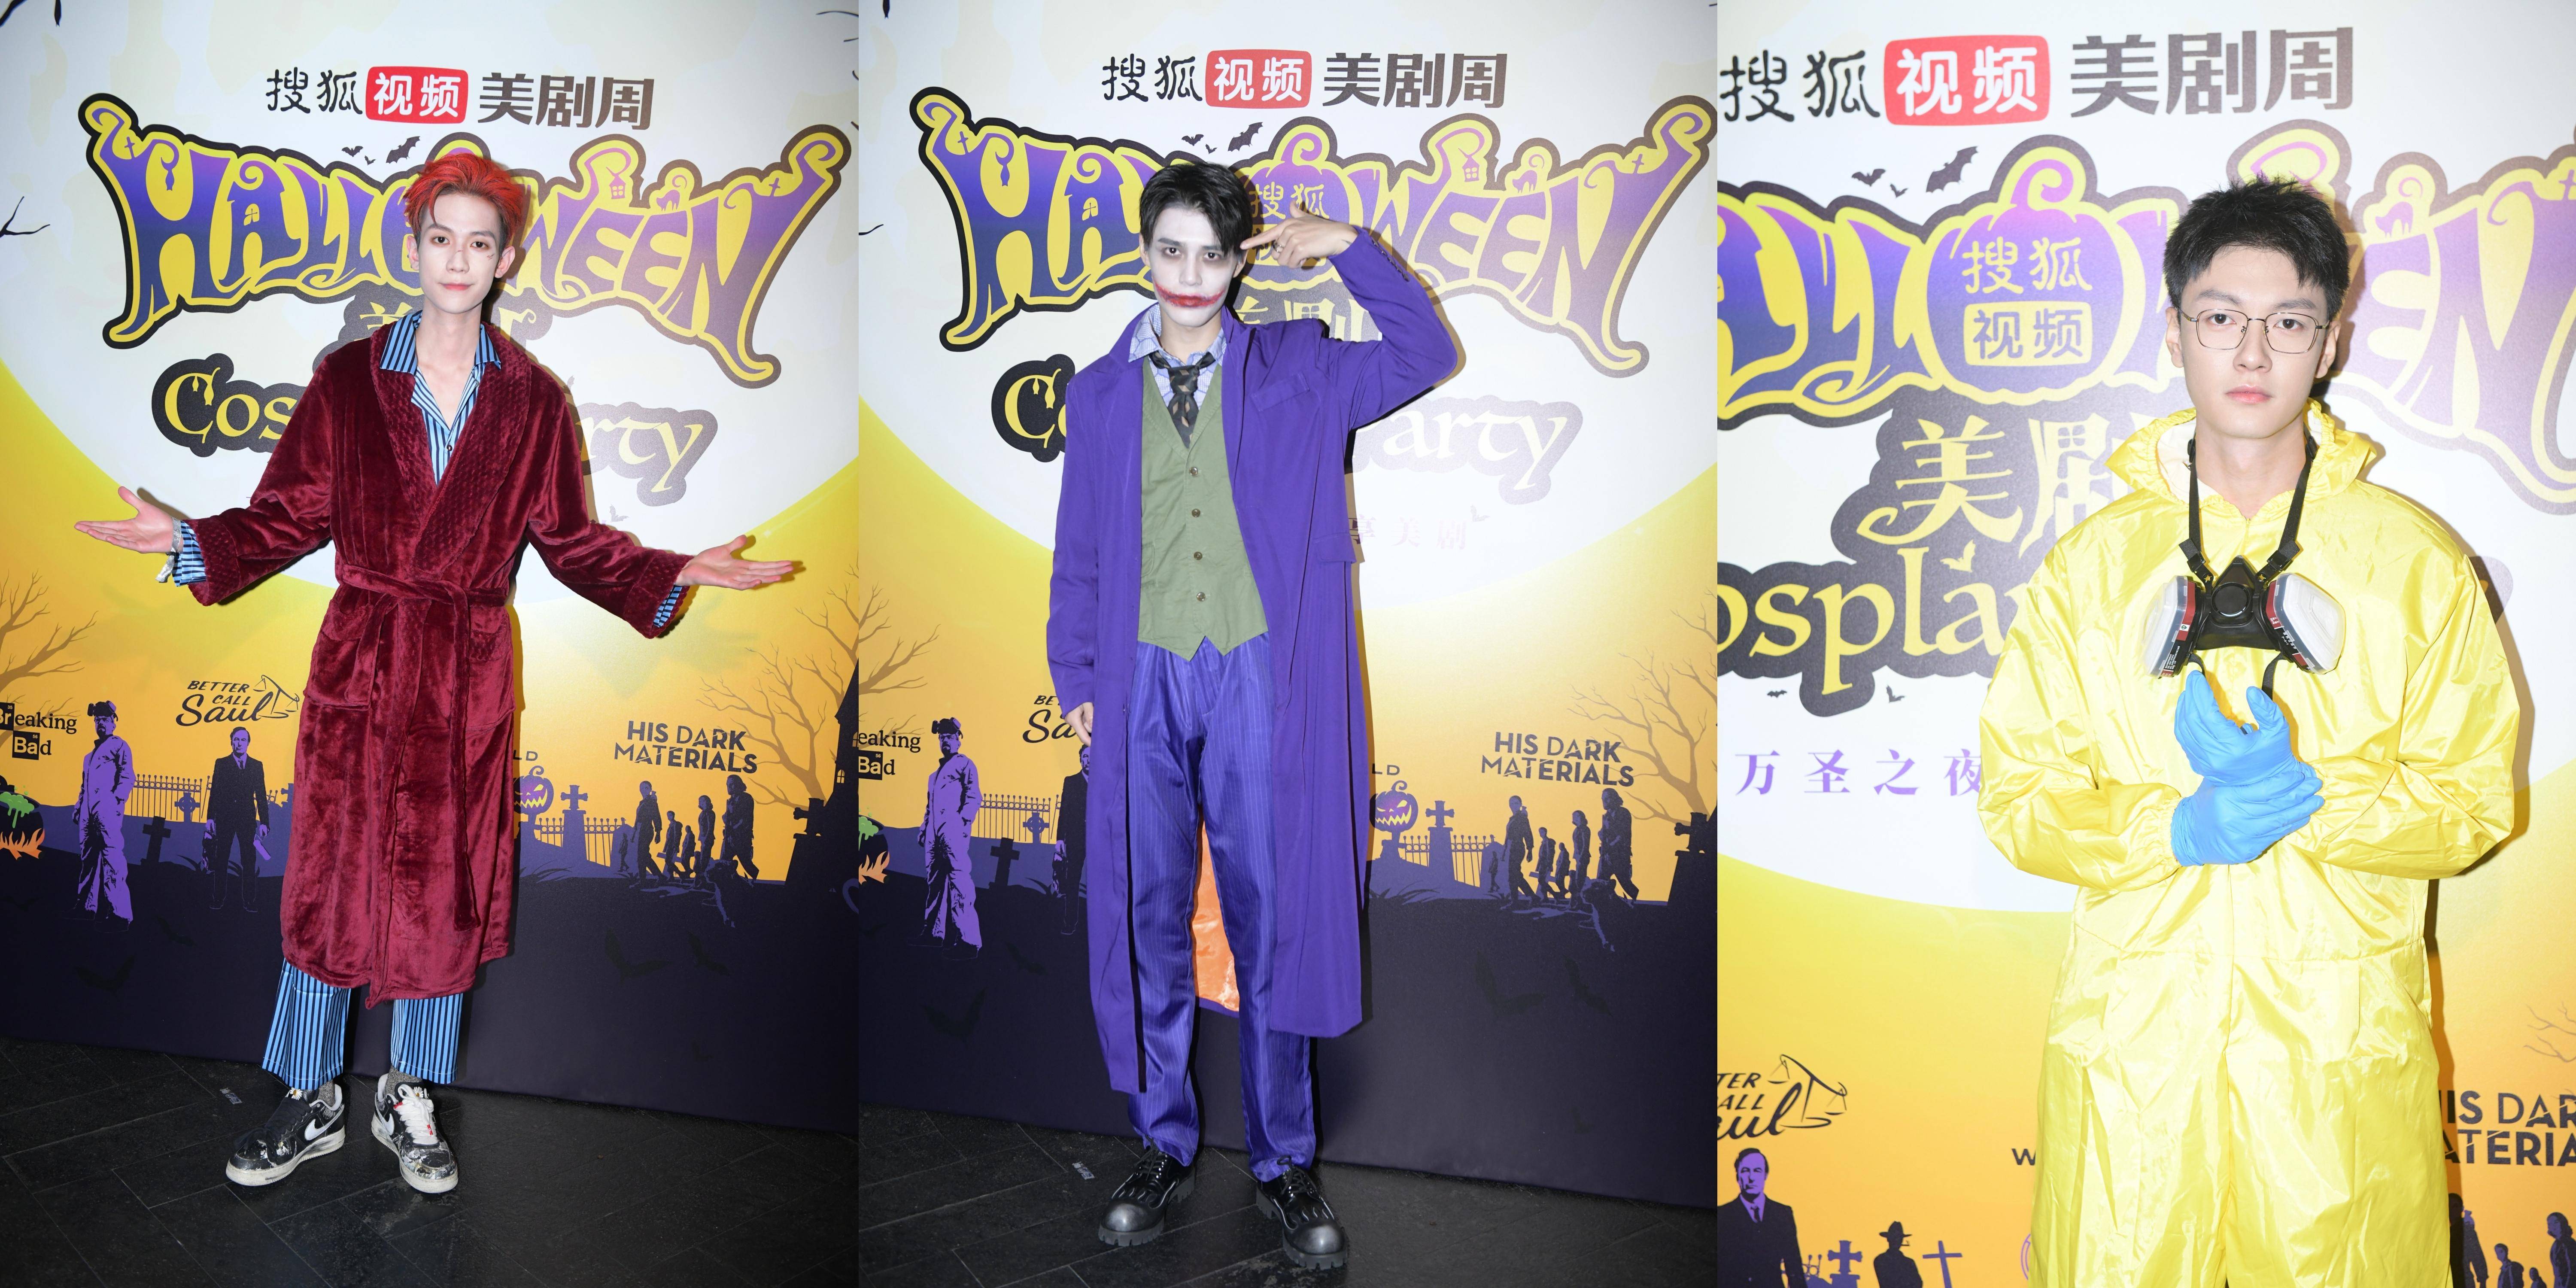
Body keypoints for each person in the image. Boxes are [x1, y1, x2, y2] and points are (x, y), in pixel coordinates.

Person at [74, 152, 792, 1196]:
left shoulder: (535, 400)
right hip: (362, 660)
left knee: (442, 888)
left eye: (480, 242)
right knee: (331, 881)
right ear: (414, 249)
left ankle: (408, 1093)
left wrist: (672, 570)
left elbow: (571, 541)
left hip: (465, 674)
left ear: (508, 260)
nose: (459, 258)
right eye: (441, 237)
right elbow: (287, 514)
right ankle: (311, 1094)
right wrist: (192, 539)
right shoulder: (347, 379)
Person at [1978, 177, 2517, 1285]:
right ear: (2176, 330)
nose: (2253, 351)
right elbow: (2020, 797)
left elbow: (2470, 806)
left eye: (2290, 322)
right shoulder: (2091, 567)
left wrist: (2309, 795)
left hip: (2334, 1053)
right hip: (2135, 1049)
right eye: (2222, 316)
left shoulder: (2415, 563)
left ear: (2333, 344)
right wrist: (2175, 828)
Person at [1046, 161, 1455, 1272]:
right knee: (1146, 913)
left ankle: (1282, 1159)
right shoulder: (1099, 394)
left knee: (1273, 918)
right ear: (1145, 253)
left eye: (1212, 254)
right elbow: (1080, 551)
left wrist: (1351, 250)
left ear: (1240, 263)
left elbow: (1426, 354)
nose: (1189, 275)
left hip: (1257, 674)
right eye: (1170, 250)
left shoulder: (1301, 368)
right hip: (1140, 674)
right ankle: (1163, 1143)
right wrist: (1078, 679)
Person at [916, 717, 980, 955]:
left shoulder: (965, 765)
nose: (945, 741)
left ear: (959, 741)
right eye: (942, 738)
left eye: (950, 738)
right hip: (934, 835)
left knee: (959, 883)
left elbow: (974, 796)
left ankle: (968, 941)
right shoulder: (933, 776)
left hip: (953, 833)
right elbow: (929, 807)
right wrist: (924, 829)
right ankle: (933, 934)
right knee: (934, 883)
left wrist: (963, 821)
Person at [71, 700, 134, 930]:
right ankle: (86, 907)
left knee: (112, 859)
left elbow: (127, 776)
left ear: (114, 723)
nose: (101, 724)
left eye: (105, 720)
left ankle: (119, 914)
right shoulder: (88, 757)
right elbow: (84, 786)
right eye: (97, 720)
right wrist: (79, 806)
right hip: (88, 813)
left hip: (107, 811)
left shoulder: (120, 746)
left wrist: (117, 801)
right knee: (88, 858)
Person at [1716, 1148, 1803, 1288]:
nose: (1751, 1178)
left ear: (1765, 1175)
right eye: (1745, 1171)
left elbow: (1794, 1266)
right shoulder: (1722, 1215)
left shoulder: (1782, 1214)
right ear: (1738, 1176)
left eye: (1757, 1171)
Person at [206, 725, 271, 912]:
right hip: (225, 819)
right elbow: (215, 792)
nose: (239, 743)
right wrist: (210, 818)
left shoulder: (256, 766)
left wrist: (264, 823)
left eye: (243, 740)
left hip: (247, 820)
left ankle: (249, 901)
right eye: (236, 739)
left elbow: (261, 796)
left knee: (249, 861)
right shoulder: (222, 764)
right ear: (231, 742)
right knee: (221, 860)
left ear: (249, 743)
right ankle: (218, 898)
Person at [1054, 741, 1091, 936]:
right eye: (1085, 757)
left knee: (1100, 882)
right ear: (1080, 760)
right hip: (1076, 841)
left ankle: (1100, 925)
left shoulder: (1106, 782)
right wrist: (1060, 840)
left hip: (1099, 841)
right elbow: (1064, 813)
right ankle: (1070, 923)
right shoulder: (1071, 782)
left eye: (1092, 757)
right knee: (1073, 882)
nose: (1089, 761)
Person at [1596, 788, 1637, 899]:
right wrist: (1601, 834)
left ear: (1614, 799)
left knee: (1626, 884)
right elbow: (1603, 832)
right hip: (1606, 855)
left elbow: (1622, 835)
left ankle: (1637, 902)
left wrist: (1610, 846)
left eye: (1607, 799)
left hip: (1619, 855)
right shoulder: (1606, 816)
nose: (1604, 801)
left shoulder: (1623, 813)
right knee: (1601, 882)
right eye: (1603, 799)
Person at [720, 773, 756, 880]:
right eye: (727, 785)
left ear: (738, 785)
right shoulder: (731, 800)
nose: (729, 787)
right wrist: (726, 817)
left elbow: (745, 820)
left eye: (732, 784)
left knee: (747, 865)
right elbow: (726, 817)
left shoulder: (746, 798)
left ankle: (758, 881)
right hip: (729, 838)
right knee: (723, 863)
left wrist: (732, 826)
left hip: (741, 838)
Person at [1501, 797, 1535, 903]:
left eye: (1516, 803)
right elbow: (1508, 836)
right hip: (1511, 848)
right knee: (1515, 875)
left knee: (1514, 875)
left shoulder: (1522, 818)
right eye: (1511, 803)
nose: (1513, 806)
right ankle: (1531, 897)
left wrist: (1530, 850)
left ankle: (1518, 900)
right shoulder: (1512, 819)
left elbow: (1528, 834)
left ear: (1520, 804)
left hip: (1518, 848)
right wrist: (1505, 850)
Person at [1874, 1221, 1924, 1288]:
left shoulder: (1909, 1262)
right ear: (1889, 1239)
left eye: (1898, 1239)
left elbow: (1918, 1284)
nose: (1896, 1241)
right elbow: (1888, 1282)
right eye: (1894, 1238)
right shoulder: (1881, 1260)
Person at [630, 781, 663, 881]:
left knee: (643, 856)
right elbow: (637, 820)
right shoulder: (642, 803)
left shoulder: (651, 802)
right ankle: (653, 878)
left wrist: (658, 832)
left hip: (647, 831)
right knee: (643, 856)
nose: (643, 790)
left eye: (646, 788)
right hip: (640, 831)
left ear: (650, 790)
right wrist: (634, 833)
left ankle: (657, 877)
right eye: (642, 788)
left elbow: (656, 816)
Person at [695, 794, 717, 886]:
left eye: (703, 801)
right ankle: (702, 879)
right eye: (700, 801)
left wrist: (706, 838)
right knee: (703, 859)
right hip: (703, 838)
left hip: (707, 839)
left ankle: (703, 880)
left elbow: (710, 828)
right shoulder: (703, 813)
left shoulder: (710, 813)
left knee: (704, 859)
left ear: (707, 802)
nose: (701, 803)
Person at [2547, 1213, 2573, 1288]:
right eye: (2550, 1224)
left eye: (2556, 1222)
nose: (2554, 1227)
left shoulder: (2568, 1243)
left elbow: (2572, 1269)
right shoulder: (2556, 1245)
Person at [1568, 808, 1592, 890]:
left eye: (1576, 816)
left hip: (1583, 856)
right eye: (1574, 816)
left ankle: (1581, 892)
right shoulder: (1577, 830)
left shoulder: (1585, 829)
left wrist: (1581, 856)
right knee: (1579, 876)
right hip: (1578, 856)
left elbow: (1586, 845)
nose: (1574, 818)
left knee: (1580, 877)